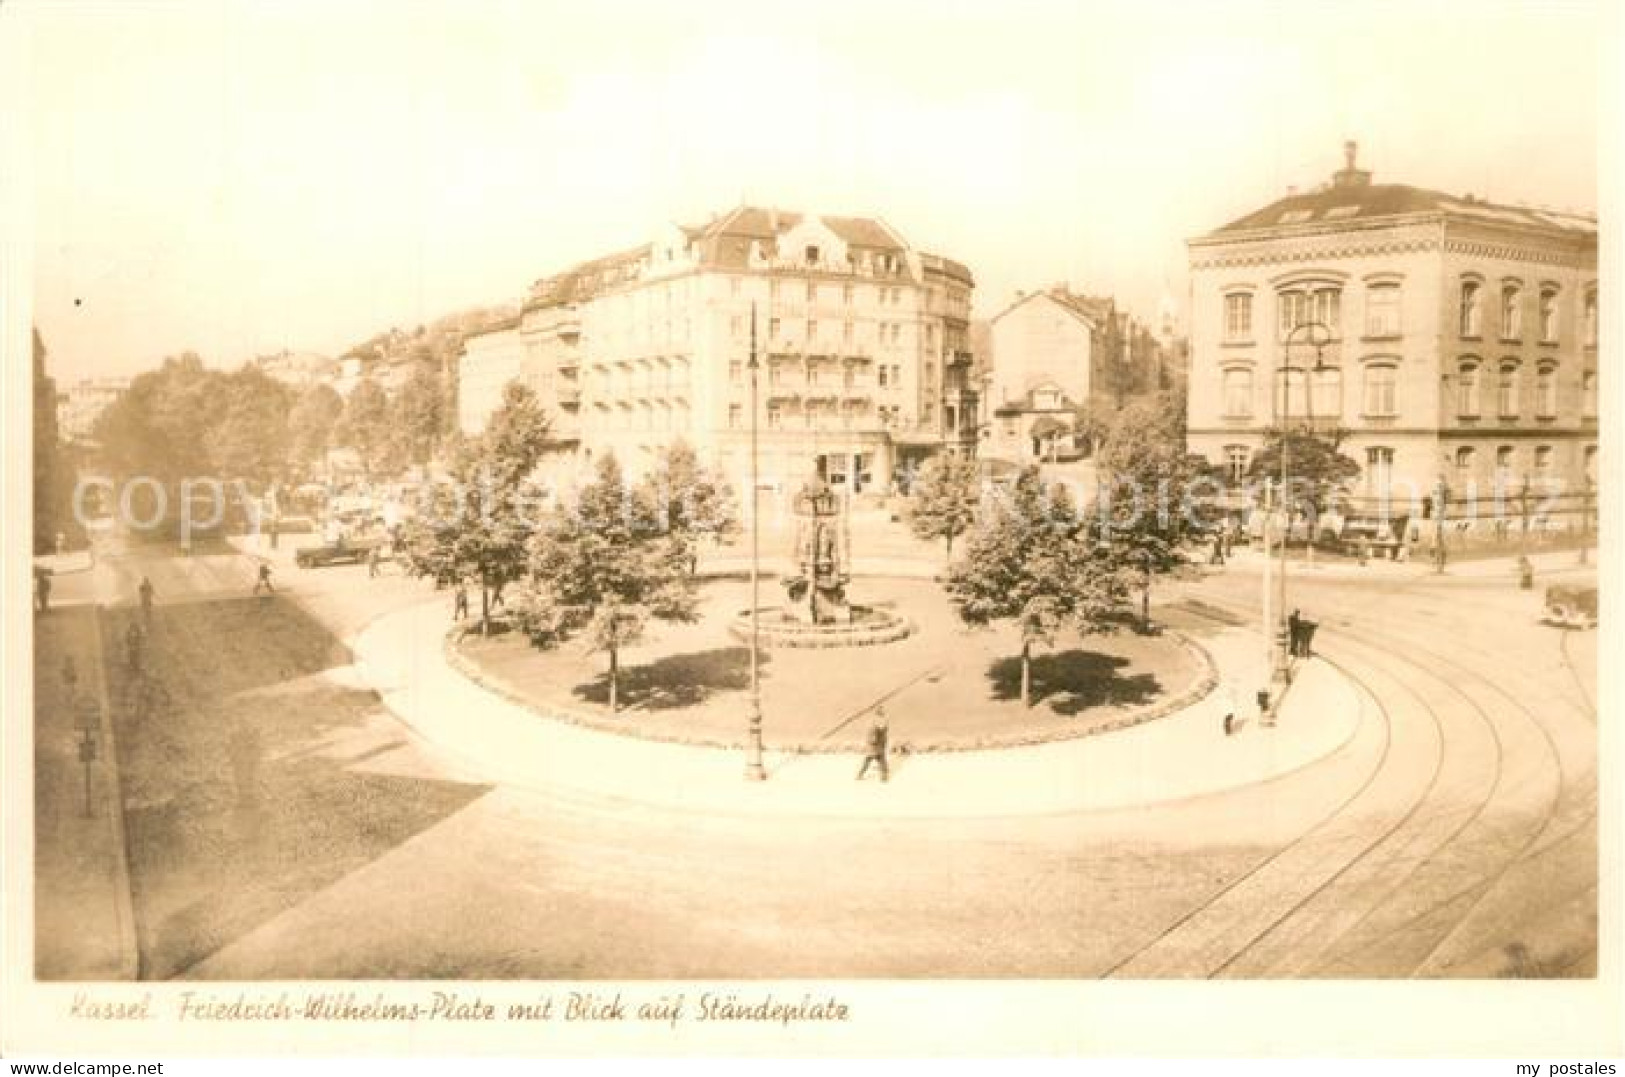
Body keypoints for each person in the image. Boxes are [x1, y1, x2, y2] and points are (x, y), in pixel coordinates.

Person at [856, 709, 890, 782]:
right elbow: (874, 739)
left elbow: (876, 736)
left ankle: (860, 775)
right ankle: (884, 776)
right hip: (875, 748)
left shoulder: (873, 725)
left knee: (873, 762)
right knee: (879, 761)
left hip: (874, 748)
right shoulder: (874, 727)